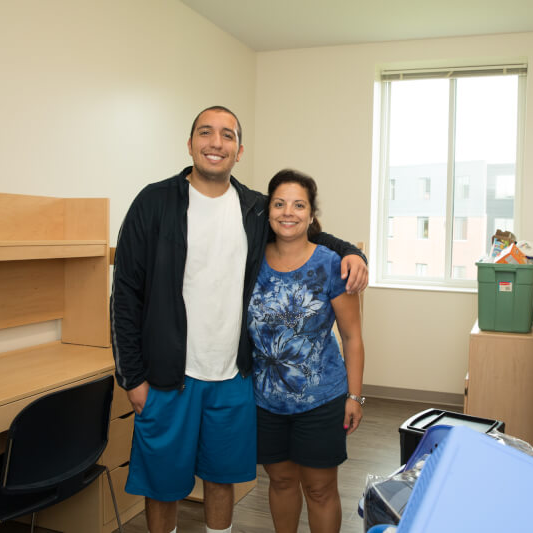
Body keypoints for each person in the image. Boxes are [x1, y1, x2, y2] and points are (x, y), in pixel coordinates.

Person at [110, 106, 368, 533]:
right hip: (166, 377)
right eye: (206, 133)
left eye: (227, 135)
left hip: (234, 377)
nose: (216, 143)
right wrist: (131, 375)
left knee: (221, 477)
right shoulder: (154, 202)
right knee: (163, 485)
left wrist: (353, 253)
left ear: (239, 150)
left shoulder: (254, 207)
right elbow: (125, 295)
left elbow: (306, 229)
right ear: (190, 143)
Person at [248, 169, 365, 533]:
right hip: (265, 399)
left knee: (319, 488)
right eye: (280, 204)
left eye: (299, 205)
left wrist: (355, 397)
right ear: (268, 211)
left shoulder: (332, 264)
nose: (288, 212)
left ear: (312, 214)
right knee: (280, 482)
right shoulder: (251, 261)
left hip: (321, 399)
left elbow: (352, 337)